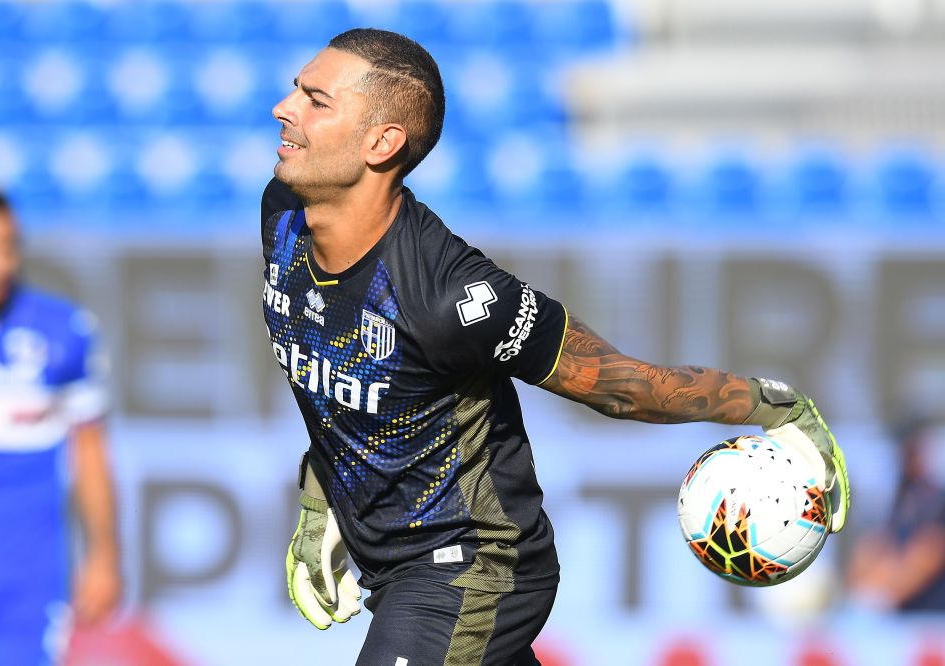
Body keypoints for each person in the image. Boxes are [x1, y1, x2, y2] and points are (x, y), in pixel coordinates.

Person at [265, 29, 850, 665]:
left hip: (472, 569)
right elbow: (337, 374)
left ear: (383, 142)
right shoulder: (282, 216)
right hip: (396, 567)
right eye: (296, 88)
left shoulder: (452, 297)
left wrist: (772, 408)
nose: (284, 107)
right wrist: (322, 505)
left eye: (316, 99)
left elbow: (628, 388)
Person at [0, 186, 121, 665]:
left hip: (29, 579)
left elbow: (90, 453)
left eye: (7, 246)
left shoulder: (62, 331)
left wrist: (105, 555)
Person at [848, 417, 945, 612]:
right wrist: (864, 588)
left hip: (931, 616)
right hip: (900, 616)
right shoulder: (898, 496)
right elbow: (875, 544)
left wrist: (881, 593)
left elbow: (929, 553)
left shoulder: (936, 498)